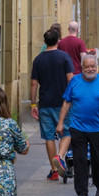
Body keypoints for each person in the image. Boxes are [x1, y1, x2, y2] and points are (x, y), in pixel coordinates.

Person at [57, 55, 99, 196]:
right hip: (78, 127)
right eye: (87, 67)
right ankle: (81, 192)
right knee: (79, 160)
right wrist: (60, 122)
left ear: (97, 67)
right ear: (82, 68)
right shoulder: (75, 81)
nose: (90, 69)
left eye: (93, 67)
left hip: (97, 128)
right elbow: (66, 102)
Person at [31, 29, 75, 180]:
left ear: (45, 42)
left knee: (49, 136)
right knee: (67, 132)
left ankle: (54, 170)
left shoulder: (38, 60)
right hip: (64, 102)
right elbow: (71, 79)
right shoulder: (64, 57)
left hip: (45, 102)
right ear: (58, 41)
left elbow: (33, 84)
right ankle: (60, 157)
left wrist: (32, 104)